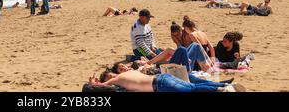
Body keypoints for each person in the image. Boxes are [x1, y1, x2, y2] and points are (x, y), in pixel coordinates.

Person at [89, 69, 239, 92]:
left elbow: (99, 87)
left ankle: (222, 89)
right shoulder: (129, 71)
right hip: (162, 78)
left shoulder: (116, 79)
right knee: (193, 85)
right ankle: (224, 84)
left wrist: (93, 82)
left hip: (160, 84)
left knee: (192, 89)